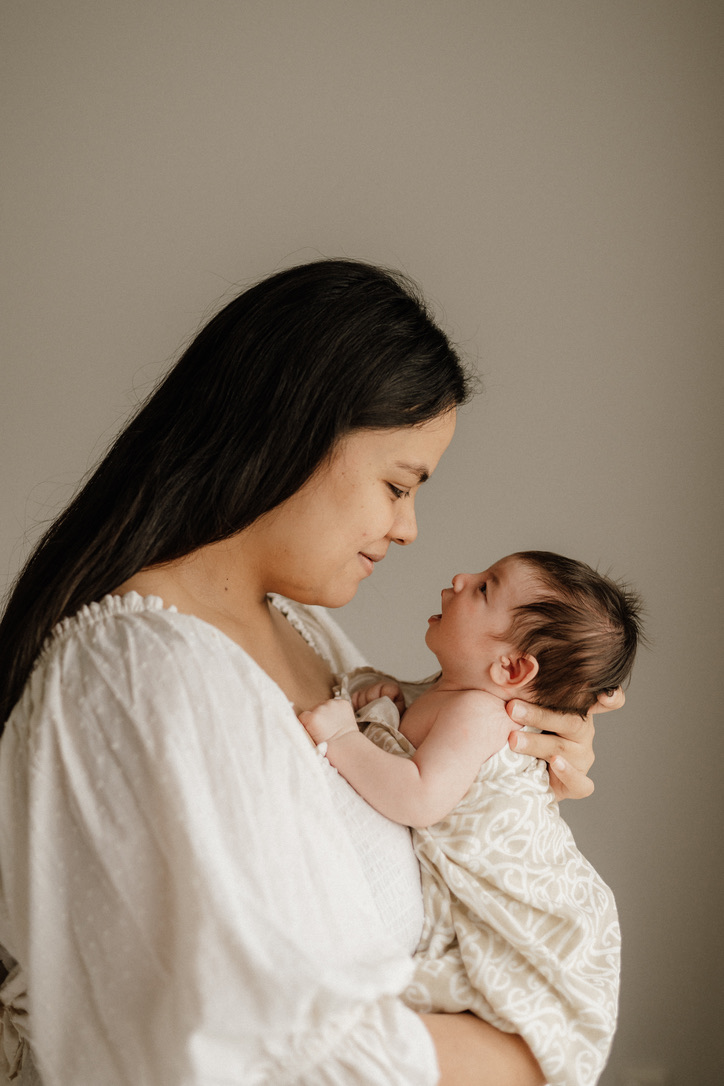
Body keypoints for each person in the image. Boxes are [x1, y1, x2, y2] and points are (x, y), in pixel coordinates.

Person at [0, 259, 619, 1086]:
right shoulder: (135, 675)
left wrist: (518, 764)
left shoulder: (308, 635)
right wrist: (528, 1057)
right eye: (398, 485)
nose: (408, 529)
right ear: (291, 430)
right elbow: (246, 1046)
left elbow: (424, 788)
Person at [301, 550, 643, 1086]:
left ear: (511, 668)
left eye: (485, 588)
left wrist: (344, 737)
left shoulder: (482, 714)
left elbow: (418, 796)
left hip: (541, 909)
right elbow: (412, 738)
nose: (460, 579)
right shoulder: (452, 694)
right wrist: (388, 699)